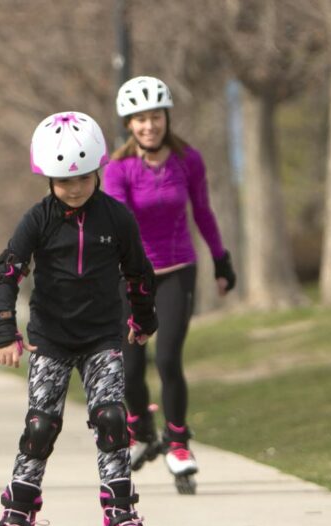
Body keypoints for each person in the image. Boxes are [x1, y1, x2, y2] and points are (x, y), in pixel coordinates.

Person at [0, 111, 156, 526]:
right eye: (64, 180)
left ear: (98, 168)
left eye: (82, 177)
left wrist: (143, 320)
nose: (75, 188)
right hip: (50, 338)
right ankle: (18, 512)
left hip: (103, 336)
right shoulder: (37, 220)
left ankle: (121, 511)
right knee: (40, 426)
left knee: (110, 417)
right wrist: (5, 330)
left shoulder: (116, 217)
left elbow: (138, 273)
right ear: (48, 177)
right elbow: (5, 274)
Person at [103, 76, 236, 495]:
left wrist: (221, 258)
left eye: (155, 117)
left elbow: (203, 212)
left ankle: (178, 443)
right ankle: (142, 427)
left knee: (168, 358)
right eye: (140, 119)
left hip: (178, 269)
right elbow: (117, 225)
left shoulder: (188, 160)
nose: (149, 126)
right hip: (131, 276)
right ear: (129, 124)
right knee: (129, 367)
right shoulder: (118, 168)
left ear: (166, 118)